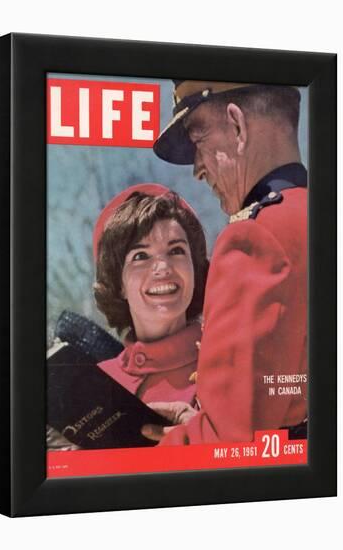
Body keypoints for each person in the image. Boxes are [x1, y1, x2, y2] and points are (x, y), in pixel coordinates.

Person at [142, 81, 308, 445]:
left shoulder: (257, 238)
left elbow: (230, 446)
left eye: (198, 141)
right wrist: (203, 417)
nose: (197, 171)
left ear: (237, 126)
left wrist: (133, 454)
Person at [93, 183, 209, 414]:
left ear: (194, 269)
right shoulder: (94, 383)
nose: (163, 268)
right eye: (141, 256)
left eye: (176, 250)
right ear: (119, 284)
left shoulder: (228, 362)